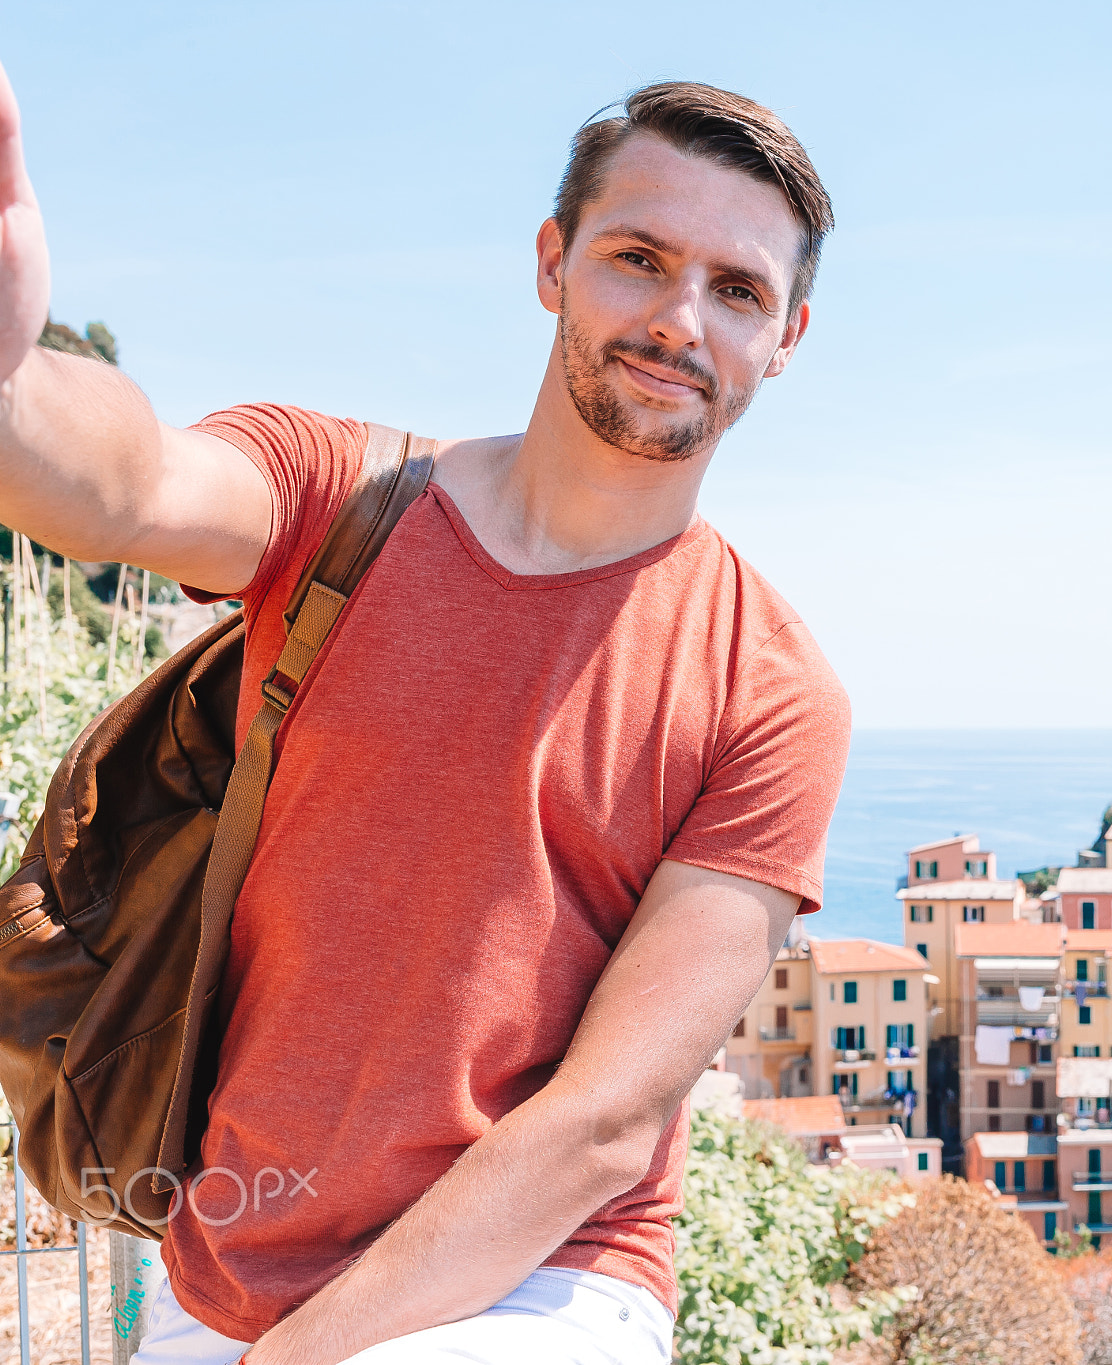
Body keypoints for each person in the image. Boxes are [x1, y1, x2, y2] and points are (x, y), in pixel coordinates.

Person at [0, 64, 849, 1365]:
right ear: (553, 261)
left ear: (783, 338)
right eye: (639, 256)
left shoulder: (772, 688)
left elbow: (605, 1121)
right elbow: (127, 480)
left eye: (737, 289)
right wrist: (9, 374)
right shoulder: (343, 499)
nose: (682, 317)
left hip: (542, 1287)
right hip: (223, 1257)